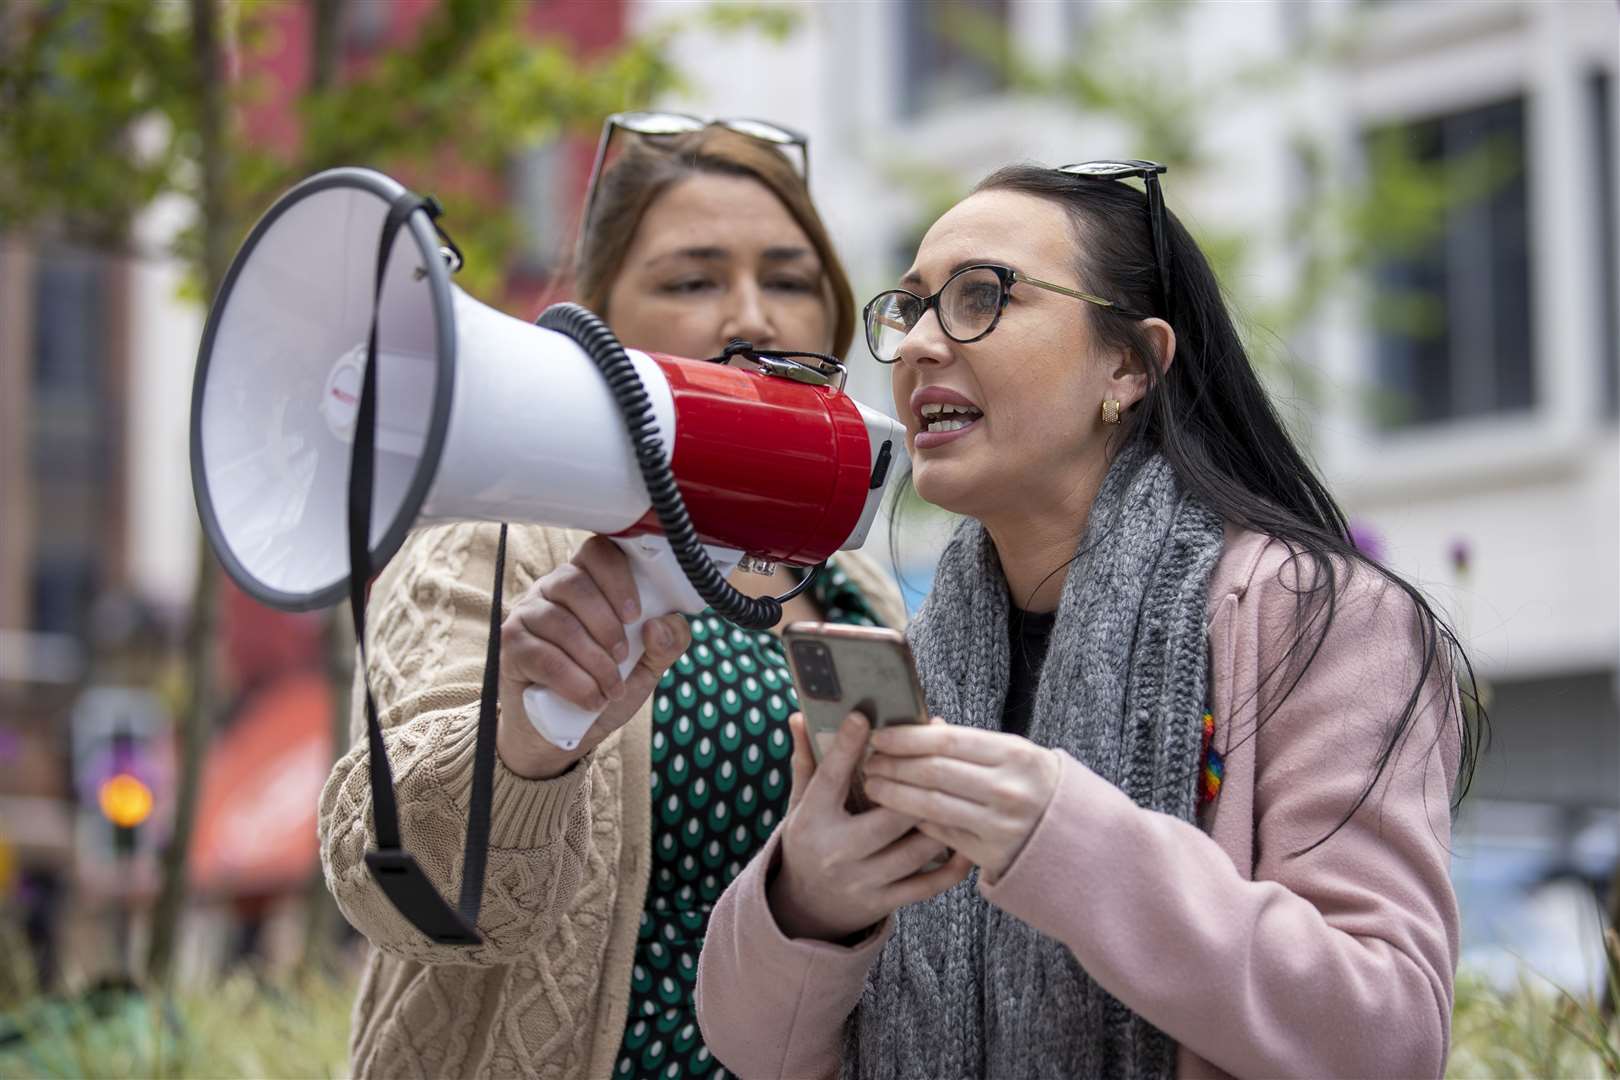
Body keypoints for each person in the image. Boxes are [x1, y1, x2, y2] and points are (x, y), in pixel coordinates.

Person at [696, 160, 1483, 1080]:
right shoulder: (924, 659)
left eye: (982, 296)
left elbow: (1388, 1040)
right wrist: (813, 898)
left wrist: (1064, 837)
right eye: (909, 309)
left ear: (1131, 363)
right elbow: (755, 1048)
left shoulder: (1320, 620)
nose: (913, 347)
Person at [317, 118, 906, 1080]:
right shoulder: (498, 541)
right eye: (692, 279)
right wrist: (521, 745)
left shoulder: (855, 590)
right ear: (600, 320)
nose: (752, 316)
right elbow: (400, 892)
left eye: (791, 280)